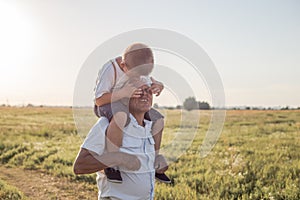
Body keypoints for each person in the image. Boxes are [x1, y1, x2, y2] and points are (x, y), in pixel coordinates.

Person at [74, 81, 169, 200]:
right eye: (139, 91)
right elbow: (80, 166)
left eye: (149, 91)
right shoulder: (107, 124)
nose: (145, 95)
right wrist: (118, 158)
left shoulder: (151, 128)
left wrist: (158, 164)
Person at [93, 43, 170, 183]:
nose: (141, 77)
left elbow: (154, 81)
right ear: (123, 66)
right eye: (137, 75)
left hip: (128, 103)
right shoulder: (110, 69)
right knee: (121, 117)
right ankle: (111, 163)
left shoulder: (138, 66)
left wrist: (160, 86)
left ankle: (154, 159)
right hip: (107, 103)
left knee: (158, 120)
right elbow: (99, 100)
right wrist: (123, 93)